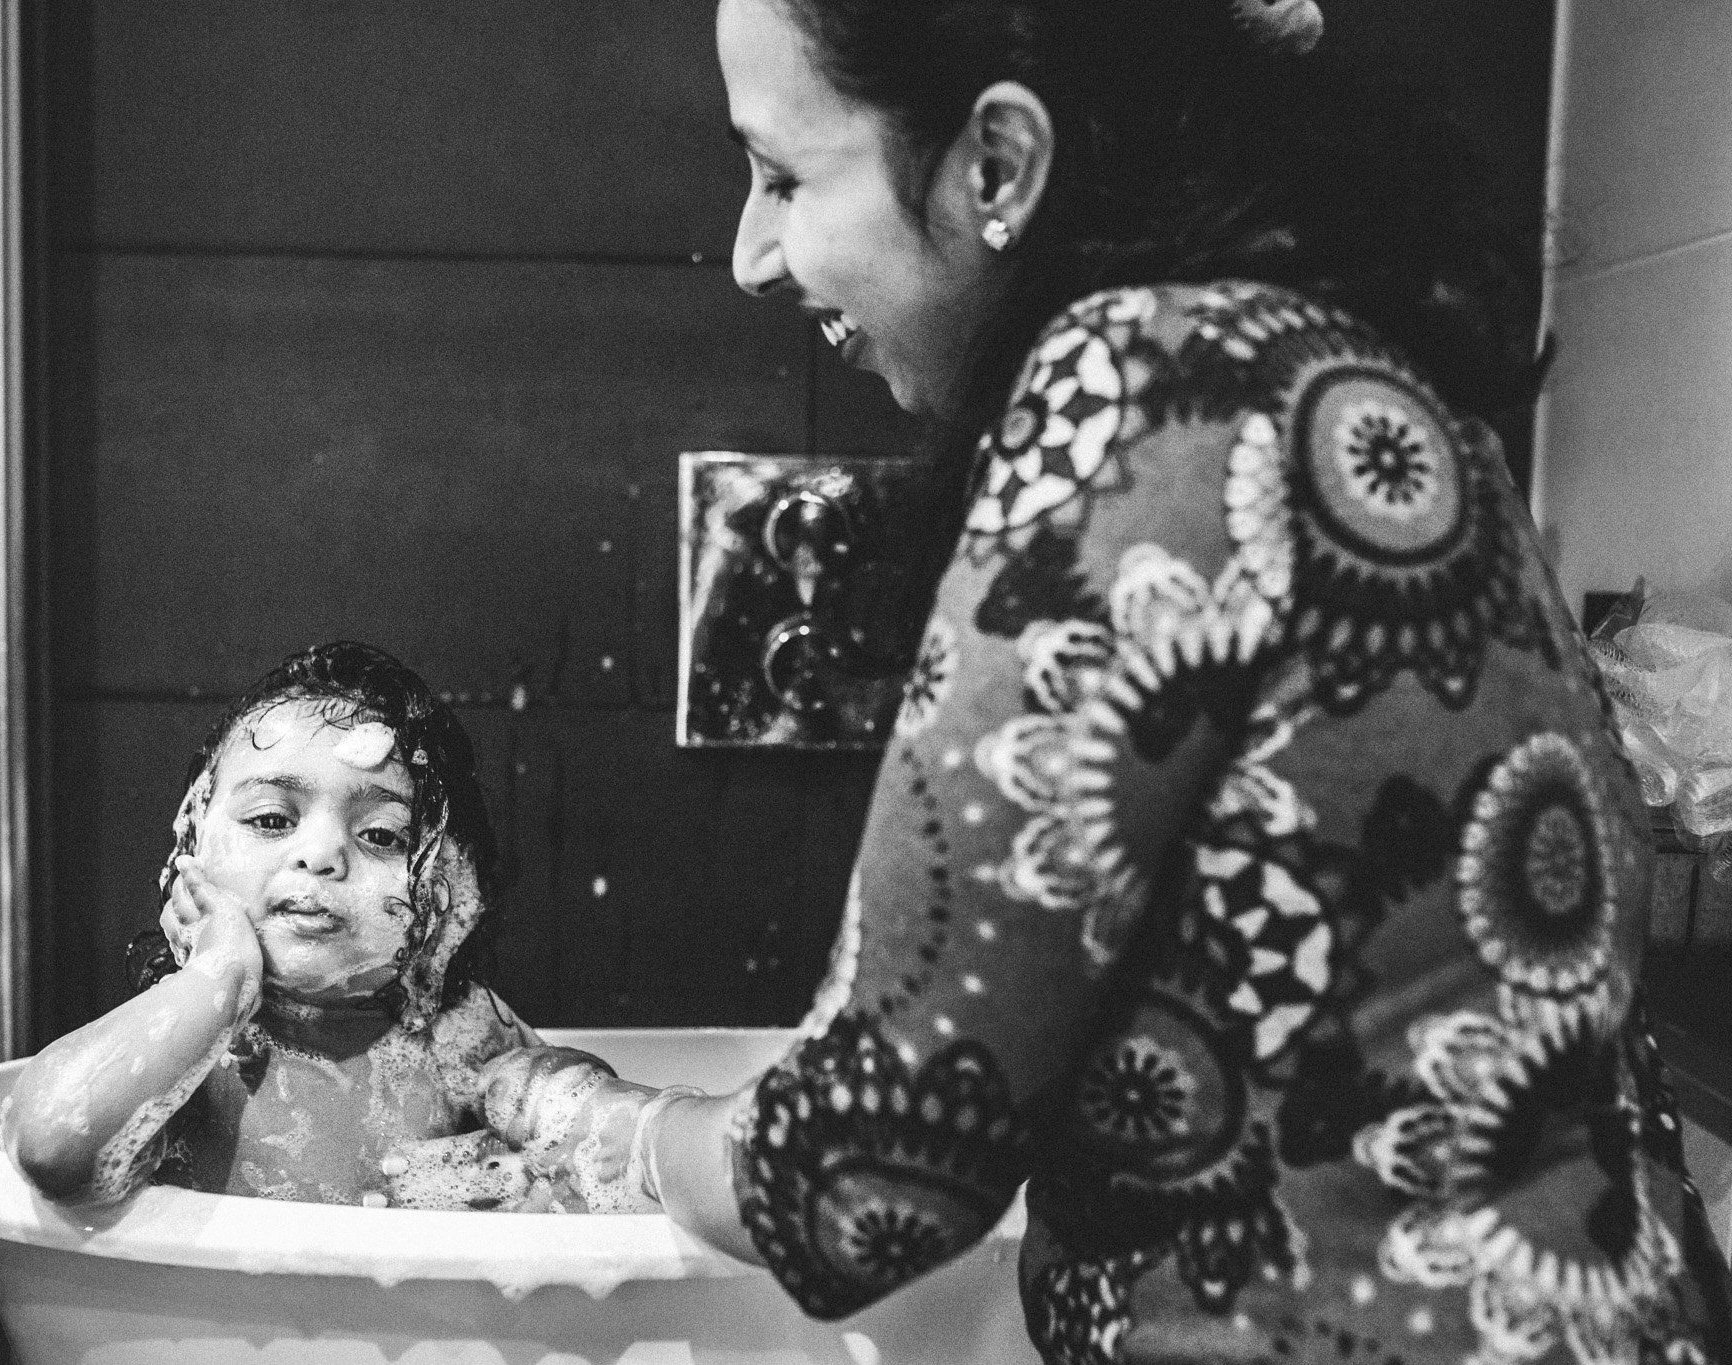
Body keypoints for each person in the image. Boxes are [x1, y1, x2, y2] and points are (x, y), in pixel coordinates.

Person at [475, 1, 1732, 1360]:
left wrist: (567, 1106)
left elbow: (857, 1177)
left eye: (783, 176)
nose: (750, 256)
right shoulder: (1344, 378)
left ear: (1000, 167)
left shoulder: (1146, 388)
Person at [0, 642, 647, 1213]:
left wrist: (542, 1178)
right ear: (191, 853)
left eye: (381, 833)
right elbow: (54, 1144)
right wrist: (216, 977)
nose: (321, 854)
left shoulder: (461, 1032)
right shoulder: (185, 1045)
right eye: (272, 819)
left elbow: (601, 1131)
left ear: (447, 895)